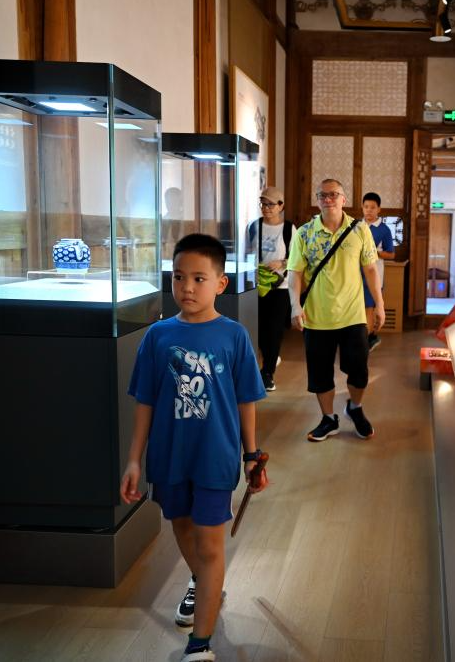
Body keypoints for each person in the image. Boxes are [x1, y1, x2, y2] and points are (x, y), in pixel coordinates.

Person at [120, 233, 267, 662]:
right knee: (181, 528)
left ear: (220, 283)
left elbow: (246, 400)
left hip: (215, 458)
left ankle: (200, 643)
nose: (186, 287)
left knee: (210, 545)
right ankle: (206, 584)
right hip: (169, 457)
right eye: (178, 277)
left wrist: (252, 456)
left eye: (199, 278)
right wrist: (134, 459)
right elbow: (145, 402)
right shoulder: (157, 336)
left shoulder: (233, 336)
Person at [288, 179, 384, 442]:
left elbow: (370, 269)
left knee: (359, 370)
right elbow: (295, 272)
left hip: (353, 315)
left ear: (344, 199)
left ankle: (355, 407)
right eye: (323, 195)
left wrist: (379, 304)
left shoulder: (360, 229)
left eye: (334, 194)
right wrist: (295, 305)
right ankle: (328, 418)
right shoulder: (304, 233)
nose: (328, 199)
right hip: (316, 316)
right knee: (320, 374)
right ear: (317, 200)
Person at [246, 186, 294, 392]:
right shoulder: (254, 226)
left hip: (280, 287)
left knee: (274, 331)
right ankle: (268, 359)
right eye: (263, 204)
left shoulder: (289, 229)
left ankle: (267, 373)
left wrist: (282, 263)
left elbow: (298, 258)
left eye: (271, 204)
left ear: (281, 206)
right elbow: (246, 253)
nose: (266, 208)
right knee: (258, 330)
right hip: (257, 286)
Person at [360, 192, 395, 352]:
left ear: (379, 209)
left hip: (374, 275)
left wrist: (373, 252)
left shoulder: (384, 229)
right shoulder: (356, 226)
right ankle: (366, 338)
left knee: (369, 308)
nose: (369, 210)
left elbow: (391, 254)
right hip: (355, 275)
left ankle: (366, 342)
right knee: (359, 308)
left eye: (372, 207)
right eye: (366, 207)